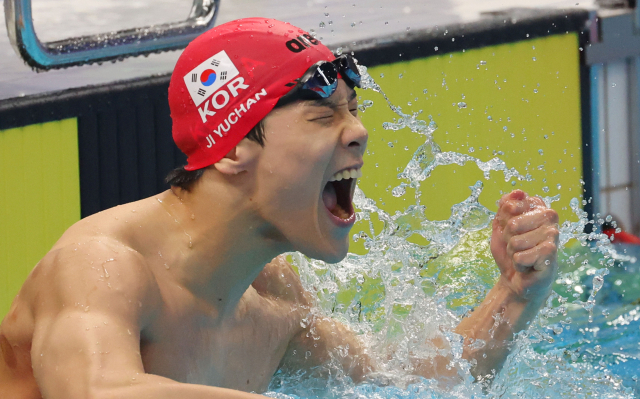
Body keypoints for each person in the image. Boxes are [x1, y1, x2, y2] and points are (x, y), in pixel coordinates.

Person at [0, 18, 559, 398]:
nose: (359, 132)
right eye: (324, 116)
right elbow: (98, 391)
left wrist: (513, 294)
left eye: (353, 110)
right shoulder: (102, 267)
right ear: (236, 148)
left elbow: (410, 383)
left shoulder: (271, 297)